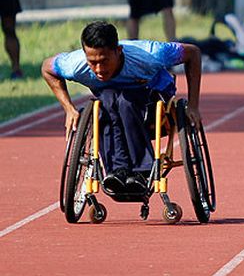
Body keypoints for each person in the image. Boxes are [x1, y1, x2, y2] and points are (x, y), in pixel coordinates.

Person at [41, 21, 202, 193]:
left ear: (118, 51)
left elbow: (193, 53)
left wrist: (193, 105)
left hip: (153, 96)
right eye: (92, 62)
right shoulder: (75, 65)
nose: (99, 69)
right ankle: (118, 171)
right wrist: (69, 108)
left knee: (126, 102)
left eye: (104, 61)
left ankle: (142, 171)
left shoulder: (151, 53)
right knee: (105, 104)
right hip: (111, 101)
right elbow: (47, 68)